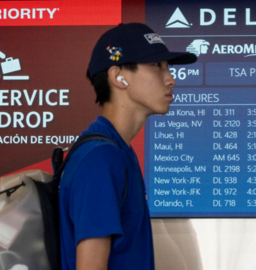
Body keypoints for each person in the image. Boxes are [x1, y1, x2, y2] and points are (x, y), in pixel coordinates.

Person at [58, 23, 197, 270]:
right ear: (118, 77)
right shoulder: (100, 159)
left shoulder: (118, 150)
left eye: (168, 67)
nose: (171, 79)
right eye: (156, 66)